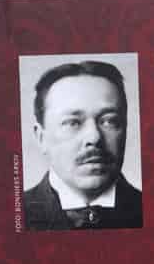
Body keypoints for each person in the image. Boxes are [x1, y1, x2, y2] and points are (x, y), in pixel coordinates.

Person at [23, 60, 142, 231]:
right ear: (41, 137)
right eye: (73, 123)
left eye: (109, 121)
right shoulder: (14, 215)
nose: (94, 137)